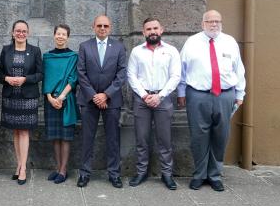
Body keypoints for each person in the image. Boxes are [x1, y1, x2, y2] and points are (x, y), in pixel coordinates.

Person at [177, 10, 246, 192]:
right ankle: (199, 175)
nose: (214, 24)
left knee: (220, 136)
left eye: (217, 21)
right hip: (198, 95)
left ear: (221, 23)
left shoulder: (230, 42)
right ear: (203, 24)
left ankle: (215, 175)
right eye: (210, 21)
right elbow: (181, 70)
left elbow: (238, 70)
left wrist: (240, 95)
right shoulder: (192, 42)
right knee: (198, 137)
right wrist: (181, 92)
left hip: (224, 95)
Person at [127, 17, 181, 190]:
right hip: (141, 100)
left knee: (165, 140)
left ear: (161, 30)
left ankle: (167, 174)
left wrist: (160, 96)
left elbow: (175, 76)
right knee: (142, 139)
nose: (152, 32)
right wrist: (144, 95)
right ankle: (141, 172)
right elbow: (131, 76)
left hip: (163, 100)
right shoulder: (137, 52)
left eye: (155, 28)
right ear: (143, 32)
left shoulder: (171, 51)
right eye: (148, 29)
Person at [76, 15, 127, 188]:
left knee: (113, 138)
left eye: (106, 25)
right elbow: (81, 73)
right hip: (88, 100)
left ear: (110, 28)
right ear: (93, 27)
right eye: (99, 25)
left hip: (111, 100)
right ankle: (84, 173)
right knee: (87, 138)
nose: (102, 28)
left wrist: (105, 95)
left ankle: (114, 173)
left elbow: (121, 74)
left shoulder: (119, 47)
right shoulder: (84, 47)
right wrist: (94, 96)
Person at [0, 20, 43, 185]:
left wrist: (25, 79)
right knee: (15, 131)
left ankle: (23, 168)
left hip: (28, 97)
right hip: (11, 96)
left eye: (24, 31)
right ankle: (18, 164)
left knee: (24, 132)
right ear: (12, 32)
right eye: (18, 31)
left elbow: (40, 74)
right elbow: (0, 73)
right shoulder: (6, 50)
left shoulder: (35, 51)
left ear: (28, 33)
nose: (21, 33)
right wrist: (7, 78)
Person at [42, 24, 79, 184]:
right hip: (50, 101)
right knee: (55, 137)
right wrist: (50, 97)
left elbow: (73, 78)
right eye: (58, 33)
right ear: (54, 35)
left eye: (64, 34)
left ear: (68, 37)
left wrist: (62, 97)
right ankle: (57, 168)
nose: (60, 36)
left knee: (65, 137)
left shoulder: (73, 56)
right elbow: (45, 79)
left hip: (66, 100)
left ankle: (64, 170)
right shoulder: (47, 57)